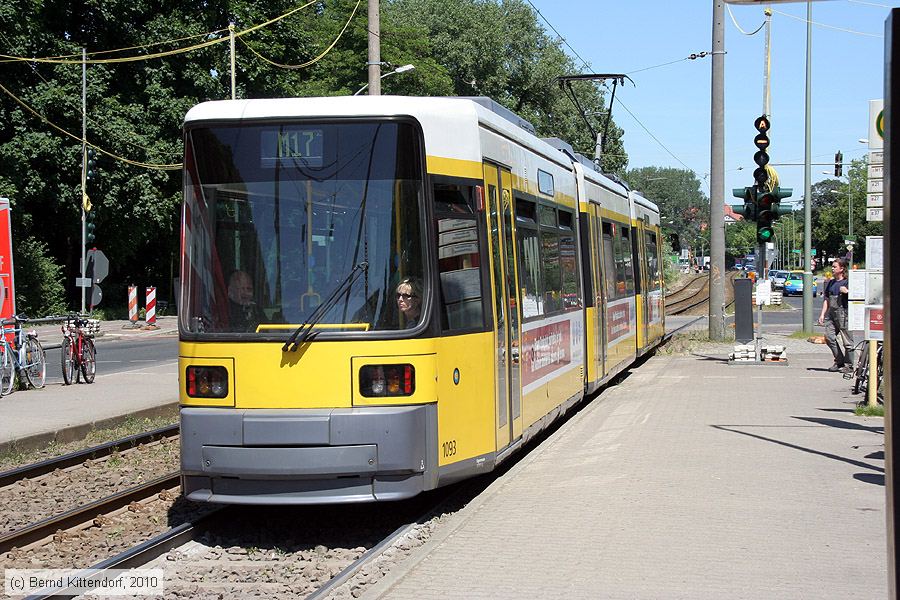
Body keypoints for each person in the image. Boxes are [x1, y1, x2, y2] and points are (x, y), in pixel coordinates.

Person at [817, 258, 855, 372]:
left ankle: (849, 365)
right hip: (832, 314)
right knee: (829, 337)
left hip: (844, 313)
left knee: (847, 342)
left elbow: (857, 296)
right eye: (832, 267)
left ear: (842, 268)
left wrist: (847, 292)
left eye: (835, 267)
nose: (832, 269)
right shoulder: (831, 283)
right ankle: (839, 361)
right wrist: (822, 314)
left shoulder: (847, 282)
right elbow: (826, 300)